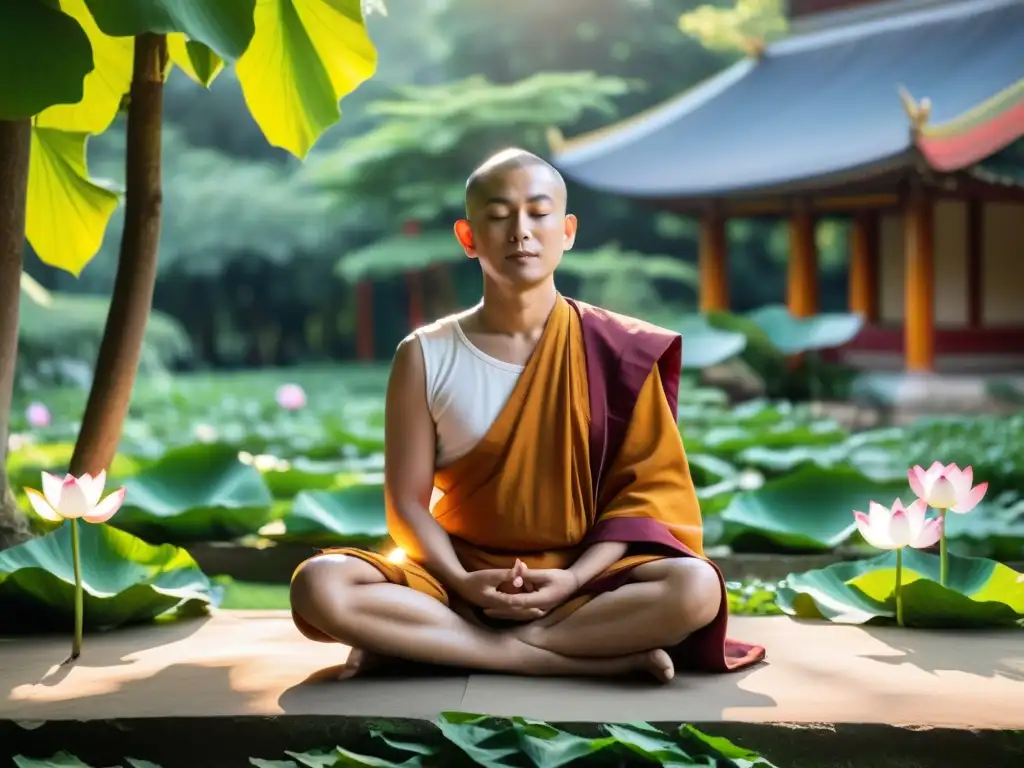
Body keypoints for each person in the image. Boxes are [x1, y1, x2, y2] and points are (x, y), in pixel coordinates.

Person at [289, 148, 766, 682]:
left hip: (584, 584)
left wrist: (572, 578)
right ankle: (578, 660)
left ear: (567, 231)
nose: (521, 231)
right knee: (319, 583)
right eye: (498, 216)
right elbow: (406, 503)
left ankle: (442, 648)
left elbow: (643, 498)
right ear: (469, 238)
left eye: (538, 214)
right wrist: (462, 580)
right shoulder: (424, 354)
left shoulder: (617, 349)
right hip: (456, 579)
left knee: (695, 588)